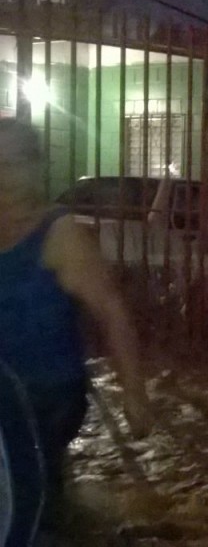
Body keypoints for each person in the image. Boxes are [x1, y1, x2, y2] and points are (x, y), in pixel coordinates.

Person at [0, 119, 152, 545]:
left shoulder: (59, 234)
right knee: (33, 483)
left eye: (15, 161)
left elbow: (111, 311)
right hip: (5, 392)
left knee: (28, 499)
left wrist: (134, 393)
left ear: (37, 167)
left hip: (48, 395)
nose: (5, 173)